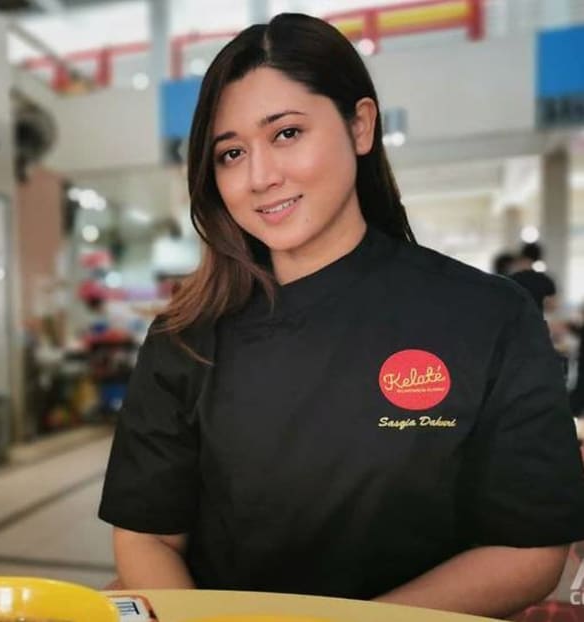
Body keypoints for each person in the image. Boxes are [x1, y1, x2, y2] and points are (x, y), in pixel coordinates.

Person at [98, 13, 584, 618]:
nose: (259, 177)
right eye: (229, 152)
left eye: (286, 134)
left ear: (360, 125)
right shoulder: (185, 337)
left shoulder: (487, 316)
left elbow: (529, 545)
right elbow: (148, 534)